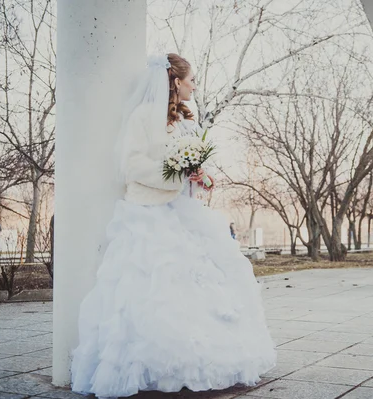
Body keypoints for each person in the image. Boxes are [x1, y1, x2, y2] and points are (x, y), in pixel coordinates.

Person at [71, 54, 276, 398]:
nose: (195, 85)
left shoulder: (184, 121)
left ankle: (198, 362)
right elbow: (132, 165)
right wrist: (175, 175)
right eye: (191, 79)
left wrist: (200, 176)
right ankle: (156, 368)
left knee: (203, 283)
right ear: (176, 81)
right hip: (148, 213)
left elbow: (193, 167)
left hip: (182, 210)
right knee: (154, 291)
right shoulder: (141, 118)